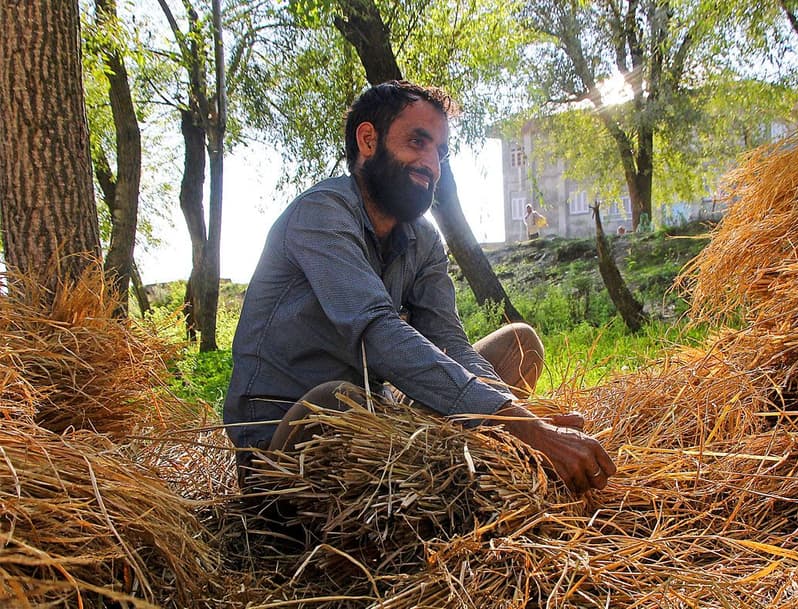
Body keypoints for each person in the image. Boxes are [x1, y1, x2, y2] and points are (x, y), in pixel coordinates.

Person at [223, 81, 615, 496]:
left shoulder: (423, 239)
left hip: (380, 423)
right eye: (417, 142)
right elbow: (378, 332)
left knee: (520, 344)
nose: (431, 164)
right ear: (368, 140)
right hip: (283, 448)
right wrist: (523, 429)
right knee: (336, 401)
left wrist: (521, 418)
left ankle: (484, 461)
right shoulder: (320, 214)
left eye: (439, 152)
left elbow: (451, 342)